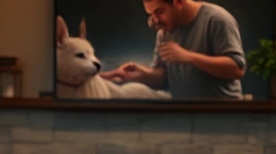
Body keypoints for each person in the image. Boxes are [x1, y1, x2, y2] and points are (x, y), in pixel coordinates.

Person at [100, 0, 245, 99]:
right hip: (183, 115)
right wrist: (139, 74)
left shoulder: (217, 20)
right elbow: (162, 77)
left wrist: (188, 57)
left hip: (224, 115)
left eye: (159, 12)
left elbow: (237, 69)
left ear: (178, 2)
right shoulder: (164, 33)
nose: (155, 20)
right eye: (151, 14)